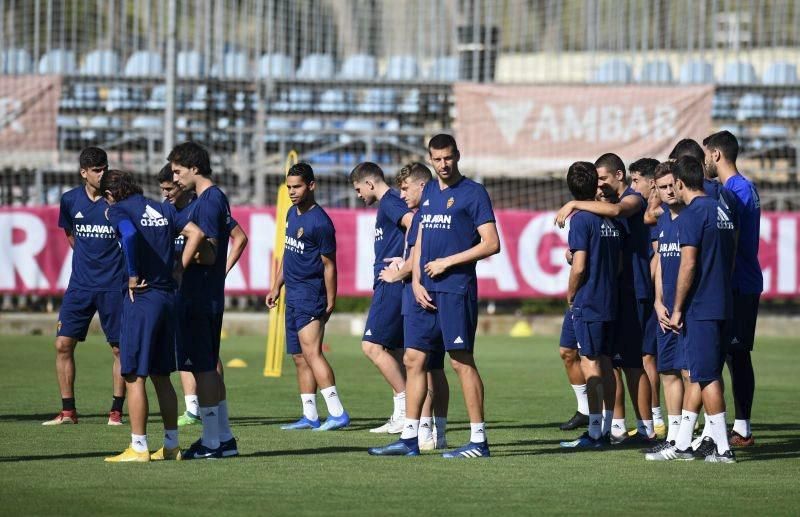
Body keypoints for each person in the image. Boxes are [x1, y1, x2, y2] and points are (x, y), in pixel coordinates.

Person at [368, 134, 499, 458]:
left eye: (448, 158)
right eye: (437, 159)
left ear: (457, 155)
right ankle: (410, 438)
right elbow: (421, 237)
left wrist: (448, 262)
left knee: (460, 362)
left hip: (455, 289)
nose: (443, 164)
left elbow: (491, 243)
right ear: (430, 159)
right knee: (414, 360)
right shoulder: (428, 196)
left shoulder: (473, 193)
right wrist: (415, 280)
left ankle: (479, 441)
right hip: (422, 292)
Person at [101, 170, 205, 462]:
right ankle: (171, 445)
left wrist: (133, 275)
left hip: (142, 298)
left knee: (134, 376)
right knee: (162, 376)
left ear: (110, 194)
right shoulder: (163, 207)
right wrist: (178, 269)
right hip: (168, 297)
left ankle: (138, 446)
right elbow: (196, 233)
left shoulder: (117, 209)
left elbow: (131, 234)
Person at [555, 153, 655, 445]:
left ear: (619, 176)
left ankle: (636, 428)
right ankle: (616, 427)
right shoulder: (603, 213)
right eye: (596, 180)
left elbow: (586, 262)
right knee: (610, 363)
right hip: (614, 293)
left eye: (604, 179)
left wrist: (573, 204)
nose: (600, 185)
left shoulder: (630, 200)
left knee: (629, 364)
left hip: (627, 293)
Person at [645, 156, 738, 463]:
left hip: (701, 307)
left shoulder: (691, 215)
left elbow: (688, 264)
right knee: (703, 373)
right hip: (724, 303)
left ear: (681, 183)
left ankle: (723, 449)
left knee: (706, 375)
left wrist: (679, 307)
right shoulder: (722, 209)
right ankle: (684, 444)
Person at [157, 164, 249, 427]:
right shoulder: (165, 212)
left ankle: (217, 424)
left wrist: (223, 268)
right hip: (180, 297)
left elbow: (238, 239)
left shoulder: (204, 208)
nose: (166, 194)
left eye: (170, 188)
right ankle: (195, 410)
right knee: (185, 356)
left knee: (208, 360)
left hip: (199, 296)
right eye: (162, 189)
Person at [44, 147, 127, 426]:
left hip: (114, 285)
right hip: (80, 286)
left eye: (105, 168)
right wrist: (87, 260)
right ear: (84, 172)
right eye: (96, 170)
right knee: (62, 344)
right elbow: (70, 233)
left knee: (119, 349)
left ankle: (116, 411)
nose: (102, 173)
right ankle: (68, 412)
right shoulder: (69, 200)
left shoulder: (116, 201)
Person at [266, 163, 350, 431]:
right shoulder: (292, 213)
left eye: (297, 186)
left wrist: (331, 299)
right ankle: (310, 415)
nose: (292, 192)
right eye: (289, 187)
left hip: (311, 295)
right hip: (292, 293)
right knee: (299, 357)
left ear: (311, 185)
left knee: (313, 353)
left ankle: (337, 413)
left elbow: (329, 265)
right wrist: (276, 285)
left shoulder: (320, 222)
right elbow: (288, 253)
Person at [169, 142, 239, 459]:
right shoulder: (205, 199)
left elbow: (209, 251)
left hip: (199, 296)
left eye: (177, 171)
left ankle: (213, 442)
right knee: (205, 365)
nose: (175, 177)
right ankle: (222, 438)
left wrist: (177, 262)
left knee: (204, 369)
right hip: (202, 296)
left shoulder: (210, 200)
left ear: (194, 168)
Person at [378, 162, 450, 450]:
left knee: (417, 363)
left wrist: (399, 273)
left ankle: (421, 431)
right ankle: (435, 432)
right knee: (434, 367)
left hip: (419, 296)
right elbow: (415, 254)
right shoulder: (424, 215)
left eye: (406, 188)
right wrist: (402, 262)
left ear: (422, 185)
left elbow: (420, 258)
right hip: (426, 294)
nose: (402, 194)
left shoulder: (425, 217)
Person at [557, 162, 623, 449]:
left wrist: (571, 293)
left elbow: (580, 266)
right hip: (608, 298)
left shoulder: (582, 219)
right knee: (604, 364)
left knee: (592, 364)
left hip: (588, 301)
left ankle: (595, 432)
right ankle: (607, 426)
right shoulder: (609, 220)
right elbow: (617, 265)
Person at [703, 130, 762, 447]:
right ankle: (737, 426)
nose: (704, 163)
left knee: (734, 354)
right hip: (745, 280)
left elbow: (732, 238)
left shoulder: (734, 191)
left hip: (738, 282)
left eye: (705, 156)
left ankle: (739, 429)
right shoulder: (745, 187)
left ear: (715, 154)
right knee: (734, 355)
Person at [349, 162, 413, 434]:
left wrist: (407, 260)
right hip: (392, 284)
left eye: (358, 189)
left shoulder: (389, 202)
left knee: (371, 346)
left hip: (392, 284)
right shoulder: (389, 203)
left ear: (370, 184)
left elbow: (414, 223)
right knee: (397, 352)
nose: (358, 195)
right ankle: (412, 414)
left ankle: (404, 410)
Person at [642, 161, 687, 455]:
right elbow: (660, 267)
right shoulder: (663, 221)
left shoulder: (693, 217)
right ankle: (673, 437)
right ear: (655, 190)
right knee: (668, 371)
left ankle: (694, 434)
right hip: (665, 310)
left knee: (690, 373)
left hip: (687, 311)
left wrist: (682, 306)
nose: (669, 191)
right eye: (663, 186)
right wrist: (658, 303)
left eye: (673, 184)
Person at [628, 157, 665, 438]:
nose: (632, 186)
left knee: (647, 358)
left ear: (651, 182)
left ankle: (656, 419)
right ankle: (656, 419)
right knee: (646, 356)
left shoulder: (658, 213)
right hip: (650, 292)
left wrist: (654, 289)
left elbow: (659, 256)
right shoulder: (648, 212)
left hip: (653, 294)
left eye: (635, 180)